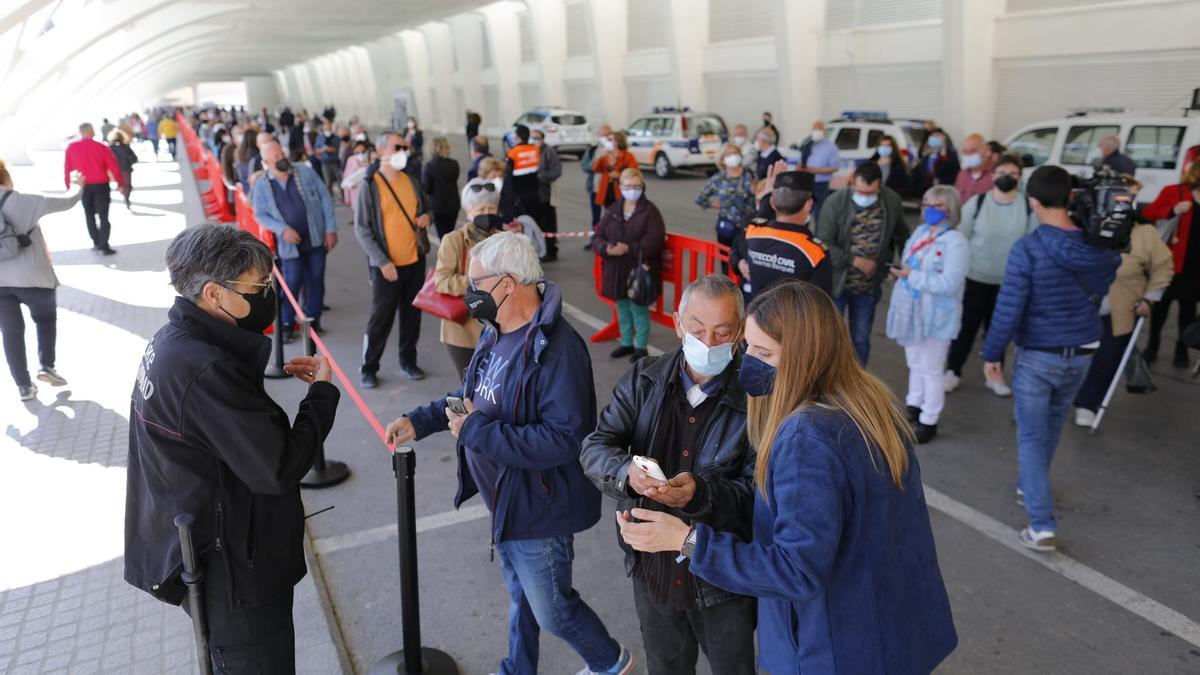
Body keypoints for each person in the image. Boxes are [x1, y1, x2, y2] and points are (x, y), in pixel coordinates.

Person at [616, 281, 958, 675]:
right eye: (749, 348)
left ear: (803, 359)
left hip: (832, 648)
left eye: (762, 353)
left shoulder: (806, 436)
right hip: (894, 630)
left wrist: (683, 539)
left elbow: (797, 569)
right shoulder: (871, 406)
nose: (748, 363)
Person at [385, 232, 635, 675]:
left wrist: (477, 432)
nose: (469, 289)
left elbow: (563, 440)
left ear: (508, 283)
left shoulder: (558, 350)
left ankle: (611, 663)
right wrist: (421, 420)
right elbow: (472, 394)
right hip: (505, 500)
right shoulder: (495, 329)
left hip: (540, 507)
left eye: (477, 280)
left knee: (554, 610)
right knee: (522, 596)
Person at [125, 224, 340, 674]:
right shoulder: (204, 368)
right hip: (235, 574)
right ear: (214, 294)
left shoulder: (175, 341)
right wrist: (321, 395)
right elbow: (278, 466)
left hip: (210, 552)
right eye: (258, 286)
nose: (267, 294)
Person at [581, 274, 756, 675]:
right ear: (678, 323)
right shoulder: (644, 378)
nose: (707, 343)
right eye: (696, 329)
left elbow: (757, 495)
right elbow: (595, 446)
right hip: (652, 572)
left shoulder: (757, 398)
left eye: (722, 332)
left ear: (740, 333)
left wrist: (700, 494)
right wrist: (625, 471)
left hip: (721, 583)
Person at [982, 165, 1121, 552]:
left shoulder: (1028, 248)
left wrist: (992, 354)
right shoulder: (1097, 248)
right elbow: (1108, 275)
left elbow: (1009, 309)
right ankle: (1031, 485)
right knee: (1053, 424)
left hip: (1038, 356)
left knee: (1030, 434)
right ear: (1071, 198)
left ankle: (1041, 524)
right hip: (1082, 352)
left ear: (1032, 201)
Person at [1074, 180, 1174, 426]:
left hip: (1120, 307)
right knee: (1071, 354)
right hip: (1079, 305)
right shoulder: (1085, 224)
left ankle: (1087, 402)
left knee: (1107, 358)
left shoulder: (1145, 233)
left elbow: (1163, 267)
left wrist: (1150, 298)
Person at [945, 155, 1038, 396]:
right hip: (975, 278)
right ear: (993, 175)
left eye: (1012, 172)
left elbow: (1033, 244)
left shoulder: (1028, 207)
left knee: (1000, 330)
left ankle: (994, 376)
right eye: (1001, 172)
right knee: (966, 328)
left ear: (1020, 177)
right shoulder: (977, 203)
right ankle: (953, 370)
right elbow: (960, 238)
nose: (1006, 176)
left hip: (1011, 283)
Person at [886, 186, 969, 443]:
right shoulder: (921, 232)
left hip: (936, 316)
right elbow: (910, 261)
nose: (929, 210)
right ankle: (914, 405)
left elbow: (949, 283)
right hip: (911, 310)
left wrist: (913, 276)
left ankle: (929, 419)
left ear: (950, 209)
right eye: (926, 204)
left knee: (932, 369)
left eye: (937, 206)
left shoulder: (956, 242)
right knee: (915, 363)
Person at [355, 131, 432, 386]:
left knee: (412, 316)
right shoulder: (370, 185)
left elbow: (424, 210)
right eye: (397, 147)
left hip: (414, 260)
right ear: (381, 151)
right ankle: (369, 367)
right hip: (386, 266)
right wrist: (382, 261)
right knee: (381, 317)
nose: (403, 151)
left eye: (405, 147)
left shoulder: (411, 181)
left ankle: (408, 361)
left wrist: (425, 218)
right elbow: (362, 229)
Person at [0, 163, 82, 400]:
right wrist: (77, 184)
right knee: (45, 319)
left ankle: (24, 387)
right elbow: (69, 200)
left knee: (11, 332)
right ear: (7, 176)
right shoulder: (26, 201)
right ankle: (46, 365)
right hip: (34, 277)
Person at [815, 161, 910, 365]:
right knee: (832, 339)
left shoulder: (891, 201)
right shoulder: (835, 202)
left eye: (871, 193)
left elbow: (902, 234)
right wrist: (854, 260)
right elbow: (823, 243)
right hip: (837, 285)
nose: (865, 197)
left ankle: (859, 386)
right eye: (860, 192)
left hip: (868, 287)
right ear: (852, 182)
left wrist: (907, 262)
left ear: (880, 187)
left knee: (860, 338)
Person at [251, 141, 336, 341]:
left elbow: (324, 197)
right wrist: (282, 230)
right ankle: (287, 323)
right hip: (289, 246)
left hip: (315, 239)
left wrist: (330, 228)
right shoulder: (263, 185)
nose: (282, 159)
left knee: (316, 280)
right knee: (292, 283)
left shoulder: (304, 171)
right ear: (266, 162)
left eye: (282, 154)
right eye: (276, 157)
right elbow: (260, 215)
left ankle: (313, 320)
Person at [434, 179, 515, 380]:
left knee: (496, 385)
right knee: (470, 386)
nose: (486, 213)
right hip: (462, 331)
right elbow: (442, 281)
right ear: (468, 211)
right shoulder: (453, 240)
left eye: (491, 207)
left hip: (499, 327)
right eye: (480, 208)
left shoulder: (504, 239)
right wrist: (481, 281)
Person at [594, 169, 666, 362]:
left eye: (636, 186)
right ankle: (626, 342)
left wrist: (629, 248)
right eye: (627, 186)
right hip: (616, 269)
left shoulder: (650, 211)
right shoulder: (613, 209)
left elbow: (655, 240)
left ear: (642, 187)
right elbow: (597, 236)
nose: (632, 190)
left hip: (637, 271)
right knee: (622, 308)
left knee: (639, 310)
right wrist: (605, 249)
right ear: (620, 187)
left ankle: (640, 347)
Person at [1141, 157, 1200, 367]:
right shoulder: (1174, 191)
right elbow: (1148, 214)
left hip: (1196, 266)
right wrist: (1173, 210)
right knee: (1161, 308)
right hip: (1172, 262)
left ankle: (1181, 350)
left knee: (1188, 311)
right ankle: (1152, 345)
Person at [741, 170, 832, 298]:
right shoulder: (815, 253)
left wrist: (767, 195)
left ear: (773, 203)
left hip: (756, 316)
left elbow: (763, 214)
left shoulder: (753, 232)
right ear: (809, 204)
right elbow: (820, 303)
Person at [64, 122, 123, 255]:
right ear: (90, 131)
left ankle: (96, 243)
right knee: (103, 216)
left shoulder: (71, 148)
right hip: (101, 185)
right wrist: (120, 183)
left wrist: (69, 186)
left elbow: (67, 168)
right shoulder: (101, 147)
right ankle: (104, 245)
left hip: (83, 186)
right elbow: (113, 166)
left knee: (89, 215)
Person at [694, 142, 756, 257]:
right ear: (722, 160)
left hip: (748, 228)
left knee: (746, 263)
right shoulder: (719, 178)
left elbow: (760, 196)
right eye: (728, 155)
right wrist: (718, 205)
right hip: (727, 227)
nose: (733, 156)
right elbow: (699, 198)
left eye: (735, 153)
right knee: (727, 261)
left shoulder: (750, 175)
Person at [797, 120, 840, 219]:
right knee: (804, 210)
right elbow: (801, 160)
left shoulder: (831, 147)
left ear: (824, 131)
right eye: (815, 129)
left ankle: (819, 232)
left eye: (819, 129)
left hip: (821, 183)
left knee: (819, 211)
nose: (817, 131)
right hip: (806, 181)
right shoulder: (808, 144)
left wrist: (815, 170)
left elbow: (834, 168)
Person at [421, 137, 462, 239]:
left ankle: (446, 253)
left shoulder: (429, 166)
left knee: (442, 235)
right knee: (450, 231)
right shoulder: (454, 164)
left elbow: (427, 188)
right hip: (453, 204)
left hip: (438, 207)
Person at [532, 129, 563, 261]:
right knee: (536, 224)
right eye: (532, 138)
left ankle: (551, 251)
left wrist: (539, 176)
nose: (534, 140)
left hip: (546, 195)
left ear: (543, 139)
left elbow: (557, 171)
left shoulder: (549, 152)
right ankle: (539, 250)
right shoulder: (529, 152)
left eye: (537, 138)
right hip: (534, 195)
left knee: (548, 224)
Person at [505, 124, 542, 224]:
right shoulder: (535, 150)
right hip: (535, 194)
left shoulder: (512, 153)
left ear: (518, 137)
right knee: (534, 222)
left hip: (519, 196)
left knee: (521, 225)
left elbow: (508, 179)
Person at [592, 130, 638, 210]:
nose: (607, 142)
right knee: (609, 213)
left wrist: (619, 175)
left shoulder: (628, 156)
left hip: (621, 191)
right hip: (607, 190)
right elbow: (595, 169)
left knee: (621, 213)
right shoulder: (605, 156)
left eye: (610, 140)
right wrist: (600, 157)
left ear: (618, 142)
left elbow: (635, 173)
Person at [581, 125, 613, 231]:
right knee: (595, 217)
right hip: (595, 189)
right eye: (602, 135)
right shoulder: (593, 150)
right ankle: (595, 238)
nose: (604, 138)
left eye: (607, 136)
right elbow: (585, 166)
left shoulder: (616, 151)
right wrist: (597, 161)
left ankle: (610, 239)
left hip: (610, 189)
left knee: (611, 216)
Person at [478, 156, 527, 225]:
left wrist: (520, 227)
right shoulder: (478, 201)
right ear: (483, 178)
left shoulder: (510, 196)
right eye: (494, 177)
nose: (498, 180)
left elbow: (524, 216)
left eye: (500, 176)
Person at [912, 129, 959, 198]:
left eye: (937, 136)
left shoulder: (949, 155)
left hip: (942, 193)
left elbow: (955, 173)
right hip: (924, 193)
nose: (934, 138)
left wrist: (943, 150)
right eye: (932, 136)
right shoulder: (926, 156)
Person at [954, 133, 996, 201]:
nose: (968, 155)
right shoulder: (962, 174)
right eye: (965, 151)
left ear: (986, 151)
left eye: (973, 151)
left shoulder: (997, 173)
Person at [108, 129, 138, 209]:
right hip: (126, 169)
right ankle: (126, 197)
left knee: (122, 184)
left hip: (115, 170)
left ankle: (124, 194)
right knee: (128, 185)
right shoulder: (126, 147)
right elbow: (135, 158)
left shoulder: (110, 148)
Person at [314, 119, 342, 197]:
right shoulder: (319, 138)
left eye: (329, 125)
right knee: (328, 181)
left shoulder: (337, 138)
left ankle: (344, 197)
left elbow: (339, 148)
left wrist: (332, 149)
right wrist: (323, 150)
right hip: (325, 162)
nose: (327, 126)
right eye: (325, 125)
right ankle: (330, 197)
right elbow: (316, 150)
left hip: (335, 161)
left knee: (339, 180)